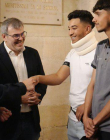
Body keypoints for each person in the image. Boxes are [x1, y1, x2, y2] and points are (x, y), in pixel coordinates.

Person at [32, 10, 97, 140]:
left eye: (74, 28)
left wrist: (86, 105)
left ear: (87, 29)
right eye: (69, 29)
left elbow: (105, 87)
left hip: (91, 119)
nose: (70, 33)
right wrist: (37, 78)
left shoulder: (100, 52)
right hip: (73, 118)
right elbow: (58, 77)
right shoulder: (72, 53)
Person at [0, 18, 47, 140]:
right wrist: (18, 99)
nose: (21, 38)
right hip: (6, 122)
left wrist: (38, 96)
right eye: (16, 35)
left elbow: (42, 80)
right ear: (4, 36)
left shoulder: (33, 53)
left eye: (22, 34)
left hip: (31, 119)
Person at [83, 0, 110, 140]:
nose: (94, 19)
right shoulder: (101, 46)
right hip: (94, 124)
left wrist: (94, 122)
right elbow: (92, 85)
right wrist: (86, 117)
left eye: (98, 14)